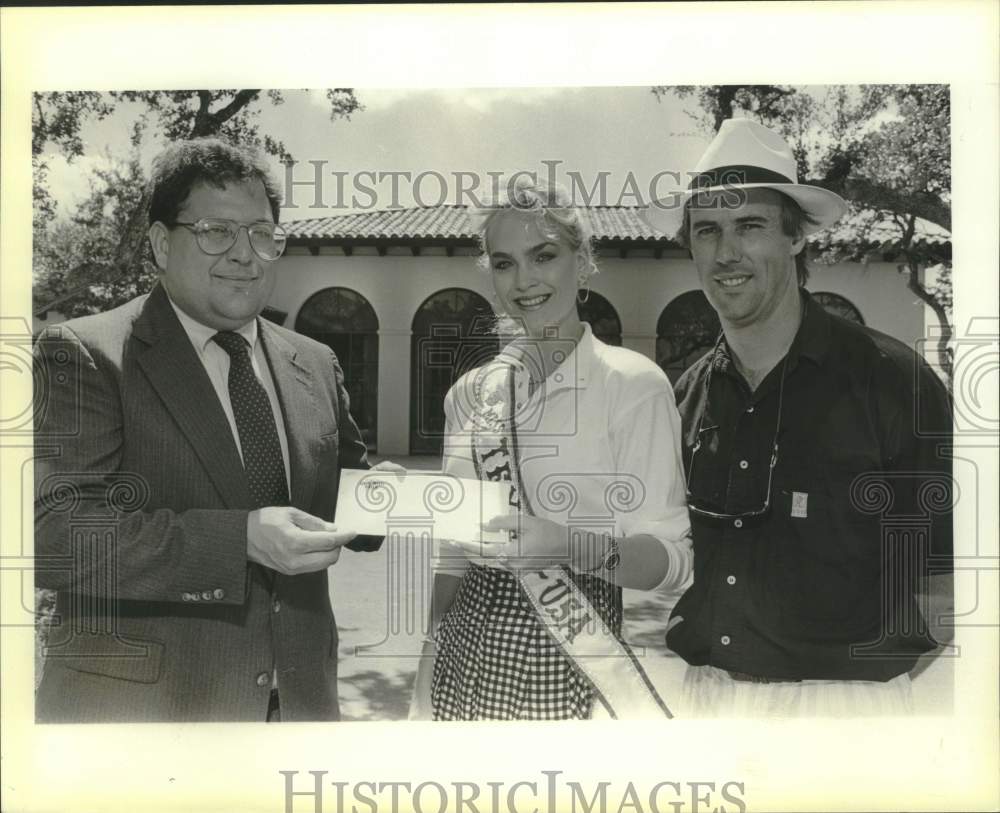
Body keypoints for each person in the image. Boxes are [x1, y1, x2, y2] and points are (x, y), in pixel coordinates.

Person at [33, 137, 386, 723]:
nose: (245, 255)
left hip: (297, 709)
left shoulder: (315, 361)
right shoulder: (83, 353)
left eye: (262, 234)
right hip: (143, 717)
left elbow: (343, 492)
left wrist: (396, 498)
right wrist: (239, 538)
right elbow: (53, 534)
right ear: (161, 244)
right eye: (216, 231)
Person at [643, 118, 954, 716]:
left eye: (750, 226)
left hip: (846, 715)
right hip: (709, 703)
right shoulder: (687, 394)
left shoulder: (893, 382)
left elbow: (944, 591)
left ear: (795, 238)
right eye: (707, 230)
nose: (726, 252)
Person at [409, 178, 692, 721]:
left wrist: (564, 545)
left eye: (544, 256)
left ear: (582, 263)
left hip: (573, 662)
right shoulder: (469, 394)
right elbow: (452, 554)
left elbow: (673, 562)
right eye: (504, 263)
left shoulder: (632, 385)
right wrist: (427, 663)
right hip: (463, 660)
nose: (524, 280)